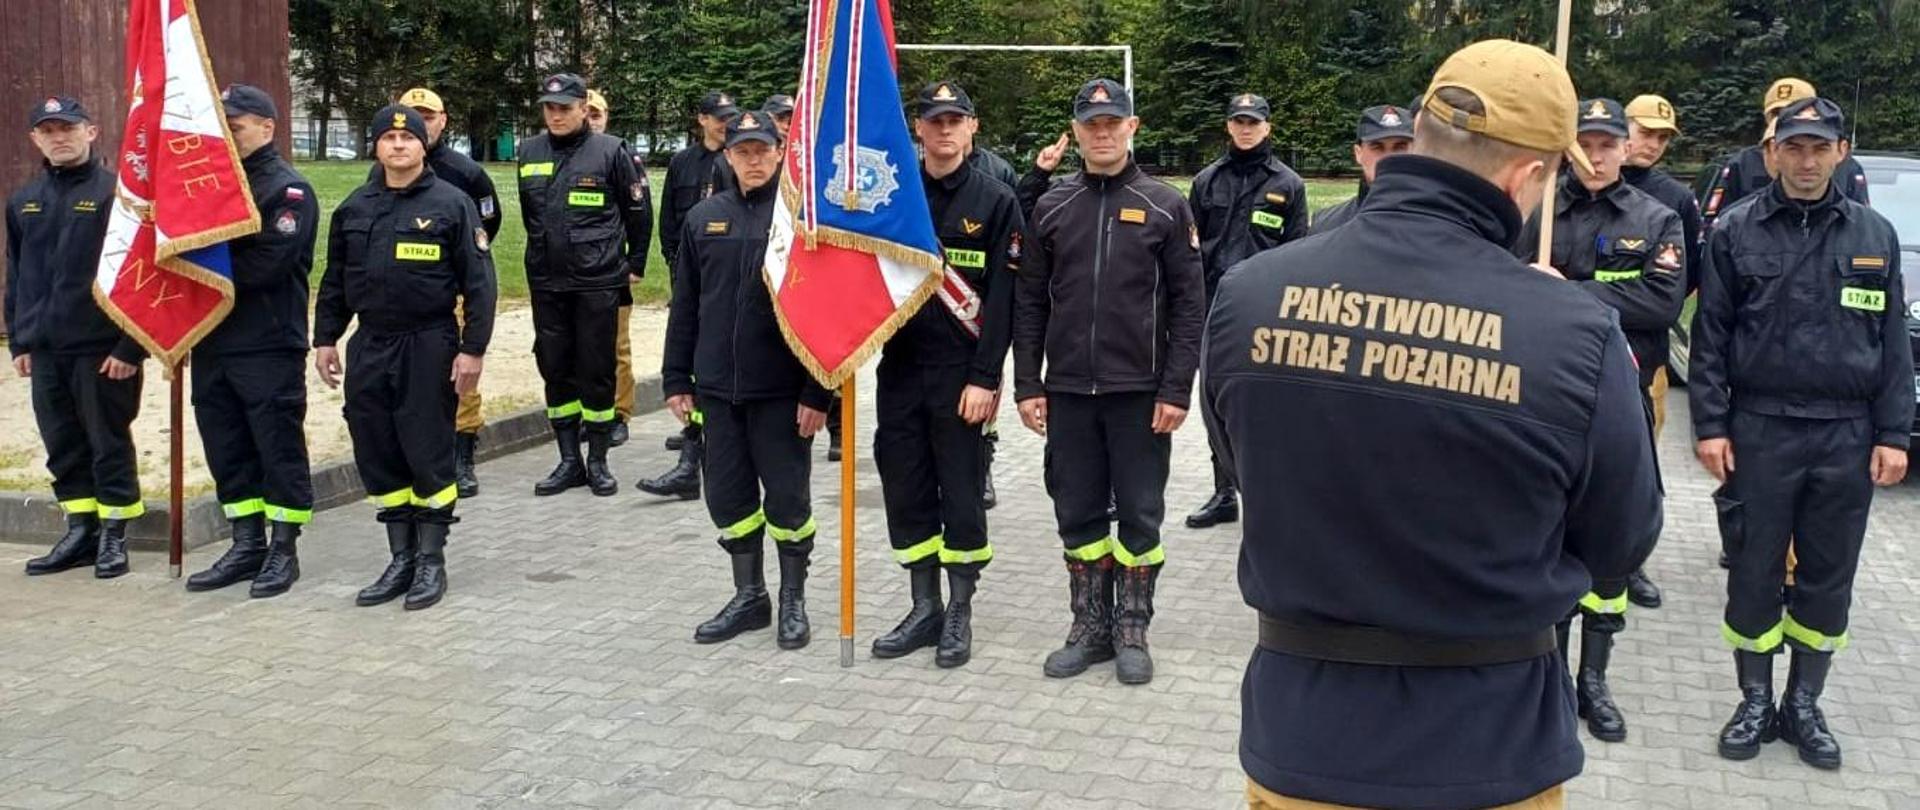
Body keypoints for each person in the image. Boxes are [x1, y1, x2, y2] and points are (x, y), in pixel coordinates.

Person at [1209, 40, 1662, 808]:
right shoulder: (1575, 333)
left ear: (1420, 132)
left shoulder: (1249, 293)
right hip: (1491, 745)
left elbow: (1242, 464)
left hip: (1301, 741)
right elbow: (1621, 539)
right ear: (1527, 176)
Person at [1690, 96, 1911, 771]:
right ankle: (1755, 701)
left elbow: (1893, 344)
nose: (1807, 161)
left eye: (1820, 147)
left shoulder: (1874, 235)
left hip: (1846, 434)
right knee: (1753, 571)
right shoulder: (1735, 230)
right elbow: (1710, 337)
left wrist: (1894, 433)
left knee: (1828, 576)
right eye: (1794, 147)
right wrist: (1710, 424)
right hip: (1760, 429)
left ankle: (1804, 704)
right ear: (1772, 154)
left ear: (1842, 152)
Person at [1014, 78, 1206, 686]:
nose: (1102, 133)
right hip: (1069, 391)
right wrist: (1028, 384)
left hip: (1140, 394)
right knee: (1077, 512)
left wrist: (1176, 389)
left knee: (1141, 517)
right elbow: (1029, 302)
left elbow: (1190, 306)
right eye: (1090, 125)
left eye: (1112, 123)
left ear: (1132, 127)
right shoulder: (1052, 206)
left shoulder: (1166, 206)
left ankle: (1132, 629)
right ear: (1075, 133)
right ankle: (1090, 627)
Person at [1513, 96, 1685, 745]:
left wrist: (1565, 292)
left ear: (1623, 147)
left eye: (1607, 143)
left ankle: (1595, 678)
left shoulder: (1655, 218)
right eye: (1584, 143)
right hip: (1547, 395)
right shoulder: (1536, 213)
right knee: (1551, 536)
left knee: (1608, 543)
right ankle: (1552, 673)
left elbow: (1660, 301)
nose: (1596, 154)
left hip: (1621, 393)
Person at [867, 81, 1025, 669]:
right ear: (918, 128)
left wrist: (987, 377)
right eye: (935, 121)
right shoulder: (892, 198)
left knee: (960, 492)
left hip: (962, 375)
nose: (945, 130)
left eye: (955, 120)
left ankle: (959, 608)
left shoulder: (996, 199)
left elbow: (1005, 298)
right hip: (900, 369)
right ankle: (923, 605)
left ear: (972, 127)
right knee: (905, 487)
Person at [314, 105, 497, 611]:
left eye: (409, 138)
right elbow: (335, 281)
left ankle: (431, 560)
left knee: (427, 447)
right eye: (388, 138)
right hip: (371, 343)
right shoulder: (354, 208)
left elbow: (480, 283)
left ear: (423, 146)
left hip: (429, 342)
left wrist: (473, 349)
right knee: (377, 447)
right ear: (375, 146)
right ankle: (401, 557)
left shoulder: (452, 204)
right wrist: (326, 338)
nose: (398, 146)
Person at [661, 110, 831, 649]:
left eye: (762, 150)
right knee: (728, 499)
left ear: (780, 153)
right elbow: (686, 304)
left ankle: (792, 599)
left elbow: (825, 316)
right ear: (728, 155)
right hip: (717, 390)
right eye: (743, 152)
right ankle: (750, 597)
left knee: (787, 502)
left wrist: (818, 392)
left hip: (782, 392)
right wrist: (676, 377)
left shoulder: (803, 221)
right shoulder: (703, 219)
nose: (754, 161)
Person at [182, 85, 320, 598]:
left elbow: (268, 264)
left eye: (235, 125)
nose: (227, 134)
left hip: (267, 341)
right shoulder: (209, 186)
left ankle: (283, 547)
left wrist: (197, 273)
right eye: (221, 124)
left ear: (267, 127)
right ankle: (246, 543)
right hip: (213, 339)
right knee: (227, 445)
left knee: (275, 445)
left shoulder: (287, 190)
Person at [9, 95, 147, 579]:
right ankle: (81, 530)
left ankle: (114, 535)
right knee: (63, 445)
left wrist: (130, 347)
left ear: (91, 132)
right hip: (46, 349)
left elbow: (141, 276)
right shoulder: (24, 200)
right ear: (35, 139)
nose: (59, 138)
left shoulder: (118, 197)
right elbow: (18, 274)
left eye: (67, 128)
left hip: (102, 350)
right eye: (48, 131)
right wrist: (19, 340)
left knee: (108, 444)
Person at [517, 73, 652, 497]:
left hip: (597, 280)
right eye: (549, 108)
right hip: (547, 280)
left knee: (596, 370)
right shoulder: (529, 151)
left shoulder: (610, 151)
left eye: (565, 108)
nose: (556, 115)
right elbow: (530, 213)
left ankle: (597, 460)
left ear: (582, 109)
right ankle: (568, 460)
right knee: (555, 368)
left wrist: (634, 262)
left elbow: (638, 211)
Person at [1184, 93, 1309, 530]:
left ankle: (1265, 492)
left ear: (1267, 127)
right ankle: (1224, 493)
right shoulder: (1207, 181)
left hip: (1264, 311)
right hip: (1214, 309)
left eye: (1253, 122)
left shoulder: (1288, 185)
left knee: (1264, 403)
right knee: (1216, 401)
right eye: (1239, 121)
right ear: (1229, 126)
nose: (1246, 129)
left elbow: (1297, 253)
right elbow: (1189, 250)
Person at [381, 87, 502, 499]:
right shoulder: (382, 172)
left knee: (460, 370)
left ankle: (462, 454)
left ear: (443, 121)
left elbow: (487, 223)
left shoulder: (466, 173)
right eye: (412, 116)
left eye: (428, 117)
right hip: (406, 294)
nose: (421, 125)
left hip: (455, 286)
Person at [639, 90, 743, 499]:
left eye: (730, 117)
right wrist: (675, 264)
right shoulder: (683, 162)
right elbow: (670, 220)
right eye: (719, 117)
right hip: (690, 275)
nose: (725, 123)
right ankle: (692, 452)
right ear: (702, 119)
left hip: (725, 281)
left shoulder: (735, 161)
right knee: (692, 360)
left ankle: (692, 458)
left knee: (710, 366)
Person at [1708, 78, 1869, 223]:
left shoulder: (1847, 167)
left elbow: (1860, 222)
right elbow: (1716, 223)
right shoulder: (1742, 164)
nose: (1808, 164)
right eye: (1776, 113)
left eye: (1820, 149)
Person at [586, 87, 649, 448]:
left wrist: (635, 262)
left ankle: (620, 413)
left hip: (613, 269)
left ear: (606, 118)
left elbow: (641, 213)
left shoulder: (622, 155)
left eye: (597, 114)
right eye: (586, 114)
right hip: (575, 274)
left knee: (616, 347)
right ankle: (592, 412)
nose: (591, 121)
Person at [1310, 103, 1415, 234]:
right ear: (1358, 153)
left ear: (1416, 151)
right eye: (1377, 147)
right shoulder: (1327, 226)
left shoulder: (1436, 223)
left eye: (1400, 147)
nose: (1388, 158)